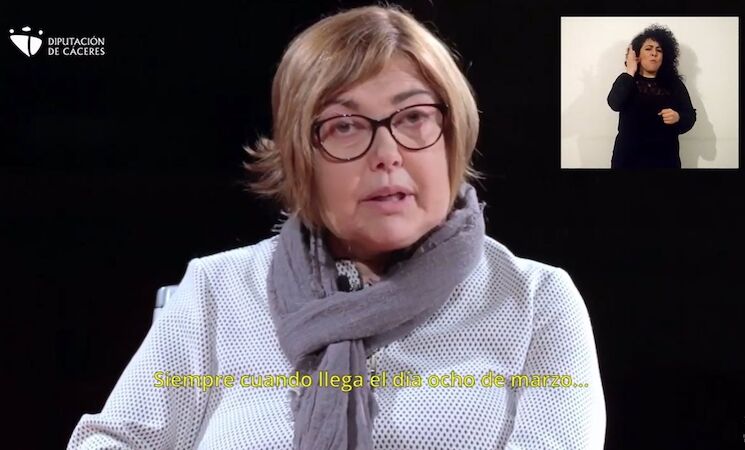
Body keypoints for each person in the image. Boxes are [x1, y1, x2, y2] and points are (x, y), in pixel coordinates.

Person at [68, 5, 606, 449]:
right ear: (301, 157)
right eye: (345, 126)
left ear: (452, 134)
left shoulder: (534, 300)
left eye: (413, 117)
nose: (387, 153)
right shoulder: (218, 291)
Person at [607, 24, 697, 168]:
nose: (654, 53)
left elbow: (690, 116)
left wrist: (678, 117)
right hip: (627, 160)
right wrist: (630, 71)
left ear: (664, 56)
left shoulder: (674, 84)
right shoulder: (627, 80)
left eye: (659, 50)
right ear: (637, 55)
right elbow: (614, 103)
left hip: (665, 161)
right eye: (648, 49)